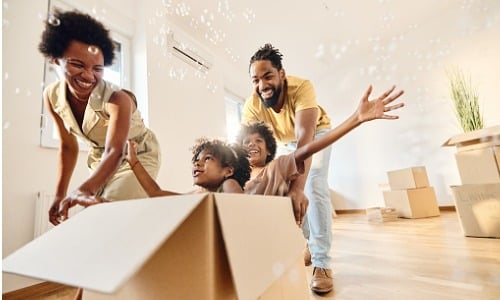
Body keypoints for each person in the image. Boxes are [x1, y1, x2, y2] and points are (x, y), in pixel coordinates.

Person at [241, 43, 404, 294]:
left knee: (313, 182)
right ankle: (308, 243)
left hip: (315, 133)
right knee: (286, 189)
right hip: (286, 142)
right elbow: (249, 150)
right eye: (256, 80)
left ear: (281, 74)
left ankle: (322, 263)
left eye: (268, 76)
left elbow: (305, 138)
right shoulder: (252, 105)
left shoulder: (301, 87)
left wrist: (299, 186)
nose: (262, 85)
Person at [38, 9, 161, 225]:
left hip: (136, 156)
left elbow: (115, 151)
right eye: (77, 64)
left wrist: (84, 188)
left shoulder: (117, 99)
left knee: (109, 216)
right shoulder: (52, 96)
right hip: (100, 160)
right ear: (57, 59)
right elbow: (68, 147)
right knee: (98, 218)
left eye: (97, 68)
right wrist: (59, 195)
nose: (88, 75)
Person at [124, 138, 250, 196]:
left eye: (207, 158)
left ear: (227, 171)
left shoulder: (229, 184)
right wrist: (133, 161)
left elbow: (242, 210)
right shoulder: (197, 195)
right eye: (196, 160)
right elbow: (155, 192)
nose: (197, 163)